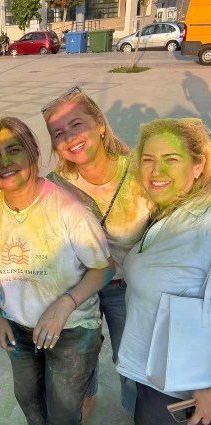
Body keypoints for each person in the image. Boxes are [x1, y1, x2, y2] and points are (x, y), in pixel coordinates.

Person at [0, 116, 115, 424]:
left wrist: (64, 305)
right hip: (19, 330)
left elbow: (104, 268)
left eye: (14, 150)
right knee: (29, 402)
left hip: (72, 331)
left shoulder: (69, 210)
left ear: (34, 152)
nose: (5, 162)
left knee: (63, 413)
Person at [42, 85, 151, 418]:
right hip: (79, 288)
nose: (70, 137)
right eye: (58, 133)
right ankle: (86, 399)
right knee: (79, 358)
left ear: (100, 124)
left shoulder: (140, 171)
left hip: (126, 289)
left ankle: (138, 411)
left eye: (77, 124)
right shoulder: (55, 183)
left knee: (131, 360)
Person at [117, 118, 211, 425]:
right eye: (148, 160)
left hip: (184, 390)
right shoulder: (169, 211)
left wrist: (208, 387)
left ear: (198, 165)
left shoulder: (205, 223)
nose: (156, 171)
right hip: (154, 373)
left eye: (171, 159)